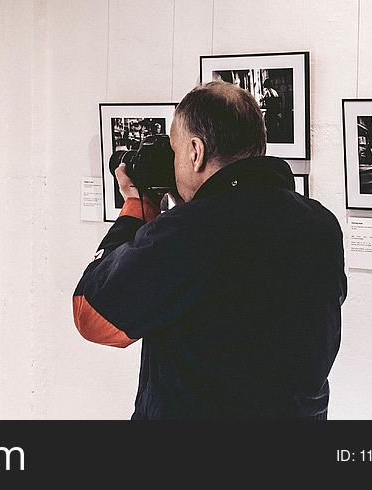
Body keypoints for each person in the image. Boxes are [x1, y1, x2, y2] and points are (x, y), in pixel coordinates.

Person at [72, 81, 347, 420]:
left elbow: (92, 315)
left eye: (174, 150)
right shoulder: (319, 223)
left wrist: (135, 206)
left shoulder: (190, 230)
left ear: (195, 151)